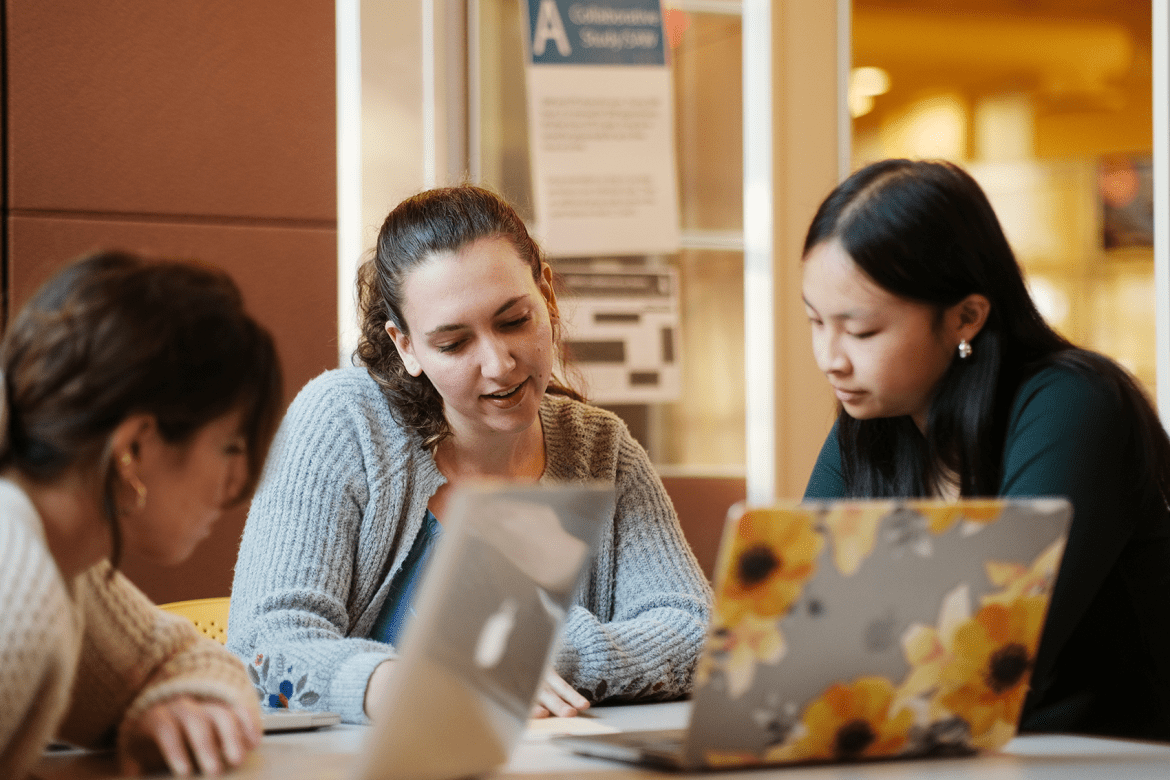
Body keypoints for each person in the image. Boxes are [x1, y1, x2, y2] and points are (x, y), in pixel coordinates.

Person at [227, 185, 712, 724]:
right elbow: (264, 643)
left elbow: (695, 628)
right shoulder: (343, 421)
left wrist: (545, 652)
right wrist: (397, 682)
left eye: (514, 322)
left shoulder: (601, 447)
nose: (500, 364)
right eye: (454, 344)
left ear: (546, 296)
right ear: (405, 345)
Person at [800, 158, 1170, 740]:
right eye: (816, 322)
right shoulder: (873, 418)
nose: (831, 357)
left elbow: (996, 661)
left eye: (862, 331)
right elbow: (807, 626)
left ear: (966, 317)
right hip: (945, 754)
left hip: (1105, 760)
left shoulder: (1075, 405)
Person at [0, 251, 283, 778]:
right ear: (133, 447)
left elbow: (182, 658)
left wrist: (175, 703)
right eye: (229, 446)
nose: (233, 488)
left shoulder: (67, 565)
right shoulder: (16, 579)